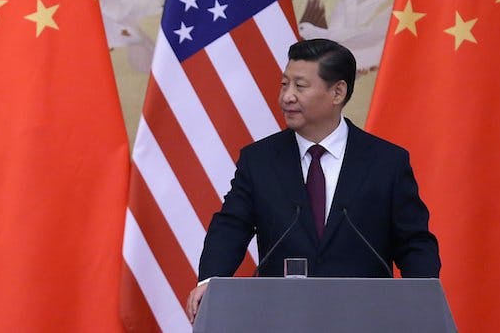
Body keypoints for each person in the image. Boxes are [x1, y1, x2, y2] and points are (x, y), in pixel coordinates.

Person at [184, 38, 439, 321]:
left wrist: (422, 300)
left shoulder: (386, 162)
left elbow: (413, 243)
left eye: (300, 86)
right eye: (284, 84)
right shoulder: (259, 160)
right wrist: (210, 280)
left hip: (366, 317)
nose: (287, 97)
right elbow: (231, 227)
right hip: (281, 317)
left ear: (337, 92)